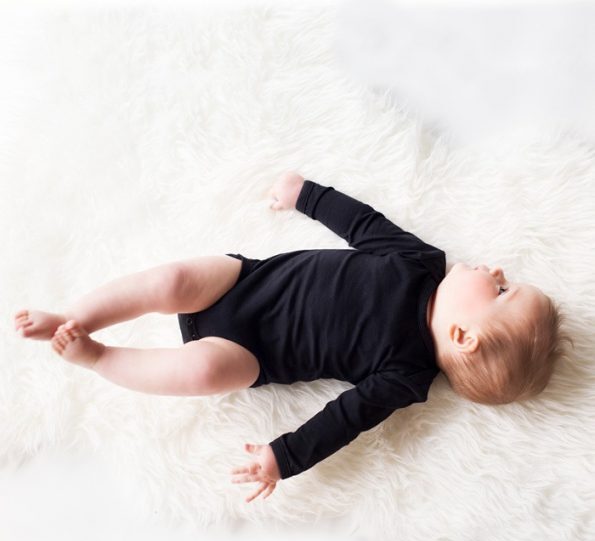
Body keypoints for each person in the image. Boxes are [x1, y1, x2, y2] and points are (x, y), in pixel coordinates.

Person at [14, 171, 572, 503]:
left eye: (502, 290)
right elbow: (364, 224)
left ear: (464, 336)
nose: (498, 270)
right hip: (246, 282)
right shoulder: (422, 263)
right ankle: (73, 317)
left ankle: (97, 356)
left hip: (252, 354)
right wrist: (305, 193)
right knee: (172, 280)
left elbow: (343, 420)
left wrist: (284, 458)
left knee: (203, 372)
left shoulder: (407, 376)